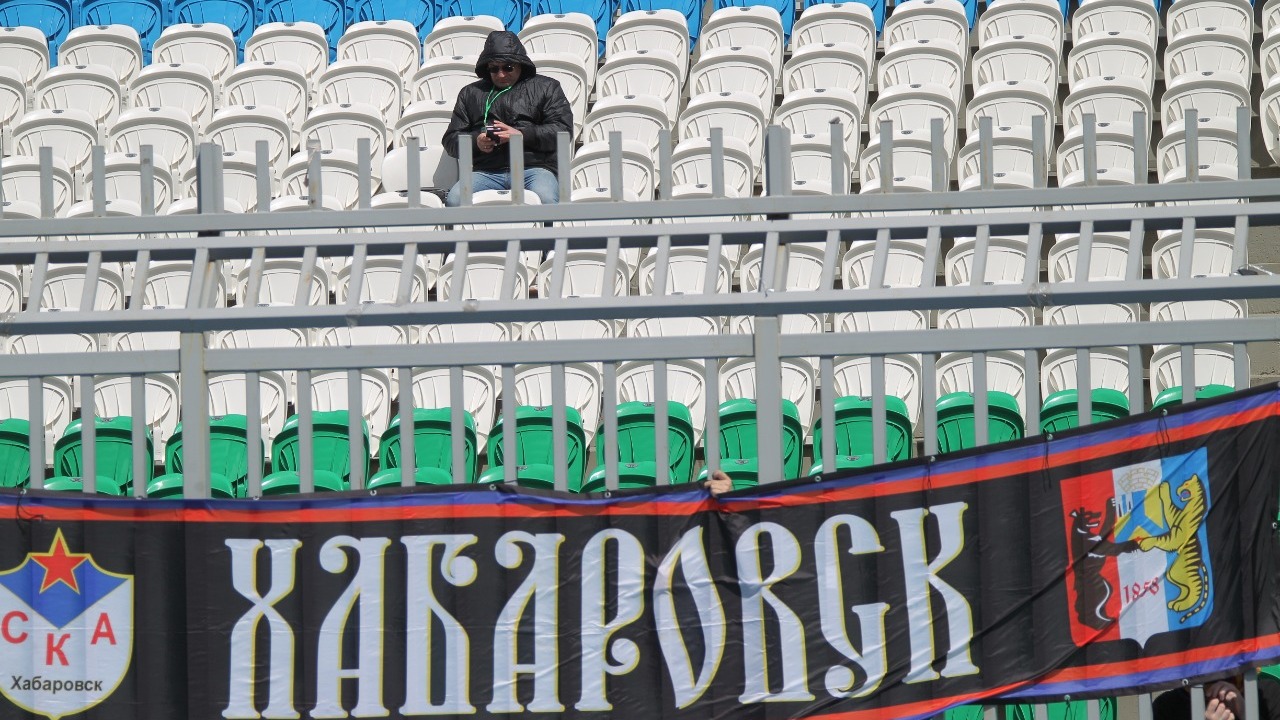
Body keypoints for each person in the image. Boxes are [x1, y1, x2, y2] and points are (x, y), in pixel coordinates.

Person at [441, 30, 573, 207]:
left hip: (535, 168)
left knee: (546, 198)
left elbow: (563, 130)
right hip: (486, 171)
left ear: (520, 65)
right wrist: (476, 141)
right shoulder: (470, 93)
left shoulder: (547, 87)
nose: (501, 74)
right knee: (455, 199)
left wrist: (521, 135)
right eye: (494, 69)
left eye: (508, 68)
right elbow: (450, 140)